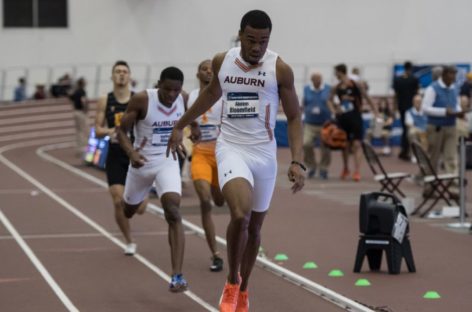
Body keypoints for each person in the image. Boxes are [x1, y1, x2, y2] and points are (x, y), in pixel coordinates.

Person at [167, 10, 305, 312]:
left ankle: (243, 289)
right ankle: (231, 280)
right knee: (240, 214)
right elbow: (210, 95)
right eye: (252, 40)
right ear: (240, 34)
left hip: (264, 154)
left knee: (255, 229)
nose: (257, 47)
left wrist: (298, 161)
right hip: (231, 147)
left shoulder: (280, 69)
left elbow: (294, 117)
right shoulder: (223, 61)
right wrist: (180, 125)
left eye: (264, 41)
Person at [116, 66, 188, 292]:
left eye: (176, 91)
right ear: (159, 84)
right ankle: (134, 201)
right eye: (167, 90)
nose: (171, 95)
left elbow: (190, 121)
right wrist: (131, 153)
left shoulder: (183, 99)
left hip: (167, 161)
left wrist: (189, 134)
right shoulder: (142, 100)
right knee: (128, 210)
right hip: (141, 164)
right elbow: (121, 131)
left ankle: (177, 276)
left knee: (173, 212)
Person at [94, 60, 147, 255]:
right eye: (118, 71)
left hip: (136, 154)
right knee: (118, 200)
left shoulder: (139, 99)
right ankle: (129, 240)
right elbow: (97, 130)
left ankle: (141, 198)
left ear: (130, 76)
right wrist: (111, 131)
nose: (121, 75)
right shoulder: (105, 100)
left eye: (125, 71)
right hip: (116, 154)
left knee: (139, 208)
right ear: (112, 76)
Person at [188, 59, 225, 272]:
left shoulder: (223, 96)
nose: (208, 72)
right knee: (205, 201)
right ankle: (215, 254)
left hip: (220, 156)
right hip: (200, 154)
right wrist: (192, 126)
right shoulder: (192, 97)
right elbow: (186, 119)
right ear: (198, 74)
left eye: (212, 70)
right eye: (204, 69)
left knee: (219, 201)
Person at [328, 63, 378, 181]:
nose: (335, 74)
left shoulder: (356, 84)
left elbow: (367, 97)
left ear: (340, 72)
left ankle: (357, 171)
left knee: (356, 144)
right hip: (343, 118)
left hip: (356, 117)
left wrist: (376, 111)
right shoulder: (337, 87)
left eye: (336, 72)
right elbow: (329, 101)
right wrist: (334, 110)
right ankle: (346, 168)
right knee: (344, 145)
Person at [422, 65, 463, 178]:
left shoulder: (455, 88)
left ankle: (453, 187)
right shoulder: (432, 88)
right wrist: (444, 112)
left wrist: (459, 112)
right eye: (451, 74)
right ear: (444, 74)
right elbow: (425, 108)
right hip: (436, 128)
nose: (454, 76)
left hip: (451, 126)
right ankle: (430, 187)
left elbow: (456, 105)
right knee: (433, 158)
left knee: (451, 157)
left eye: (455, 74)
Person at [302, 72, 332, 179]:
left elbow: (332, 102)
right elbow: (304, 103)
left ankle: (323, 168)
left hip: (325, 123)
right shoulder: (306, 89)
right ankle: (312, 166)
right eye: (316, 79)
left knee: (326, 147)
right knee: (306, 144)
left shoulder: (328, 88)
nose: (318, 81)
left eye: (319, 79)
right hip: (310, 123)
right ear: (312, 80)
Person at [393, 61, 420, 161]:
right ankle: (408, 150)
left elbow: (395, 96)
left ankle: (405, 150)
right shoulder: (414, 79)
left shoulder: (398, 80)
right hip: (412, 107)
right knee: (411, 129)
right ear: (411, 68)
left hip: (402, 107)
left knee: (405, 129)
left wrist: (394, 109)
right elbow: (417, 93)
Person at [69, 77, 88, 157]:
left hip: (76, 111)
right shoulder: (82, 91)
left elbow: (71, 97)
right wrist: (85, 109)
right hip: (81, 112)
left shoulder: (76, 91)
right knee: (84, 130)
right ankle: (83, 149)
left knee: (78, 131)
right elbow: (83, 101)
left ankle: (78, 148)